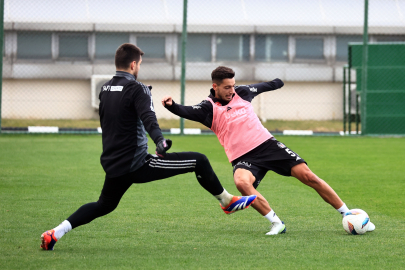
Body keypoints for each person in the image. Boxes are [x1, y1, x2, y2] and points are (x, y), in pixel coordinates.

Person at [40, 46, 257, 251]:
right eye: (140, 64)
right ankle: (227, 201)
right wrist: (160, 141)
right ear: (134, 65)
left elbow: (110, 122)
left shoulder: (105, 88)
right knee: (199, 160)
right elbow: (149, 119)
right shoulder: (138, 88)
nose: (139, 67)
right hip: (137, 163)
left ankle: (55, 233)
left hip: (113, 162)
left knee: (104, 205)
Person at [161, 66, 375, 235]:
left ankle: (347, 213)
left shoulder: (242, 93)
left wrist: (278, 82)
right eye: (227, 87)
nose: (232, 90)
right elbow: (186, 110)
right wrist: (171, 106)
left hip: (268, 146)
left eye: (233, 86)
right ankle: (276, 223)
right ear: (215, 86)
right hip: (243, 157)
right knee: (241, 183)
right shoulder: (208, 108)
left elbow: (265, 86)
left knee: (308, 176)